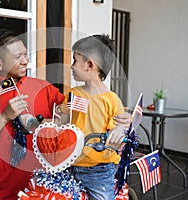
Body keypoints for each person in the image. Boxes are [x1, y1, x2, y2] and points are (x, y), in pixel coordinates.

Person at [0, 29, 130, 200]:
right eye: (17, 57)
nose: (26, 61)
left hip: (44, 191)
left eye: (26, 54)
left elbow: (78, 117)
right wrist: (5, 116)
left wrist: (122, 122)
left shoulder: (44, 88)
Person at [57, 34, 127, 200]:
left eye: (75, 60)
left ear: (90, 65)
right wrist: (52, 125)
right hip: (70, 164)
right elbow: (62, 121)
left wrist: (119, 129)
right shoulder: (73, 94)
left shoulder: (111, 99)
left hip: (99, 170)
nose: (71, 66)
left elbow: (121, 126)